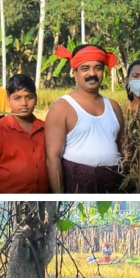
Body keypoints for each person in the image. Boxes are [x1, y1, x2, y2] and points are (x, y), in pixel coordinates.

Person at [45, 44, 125, 193]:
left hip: (113, 184)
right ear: (74, 72)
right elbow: (53, 158)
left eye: (98, 68)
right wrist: (59, 197)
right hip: (76, 183)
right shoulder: (62, 107)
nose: (92, 73)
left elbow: (123, 146)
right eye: (85, 68)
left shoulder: (114, 107)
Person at [0, 74, 49, 193]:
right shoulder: (2, 129)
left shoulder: (46, 129)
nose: (24, 103)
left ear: (36, 99)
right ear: (8, 101)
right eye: (17, 98)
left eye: (29, 97)